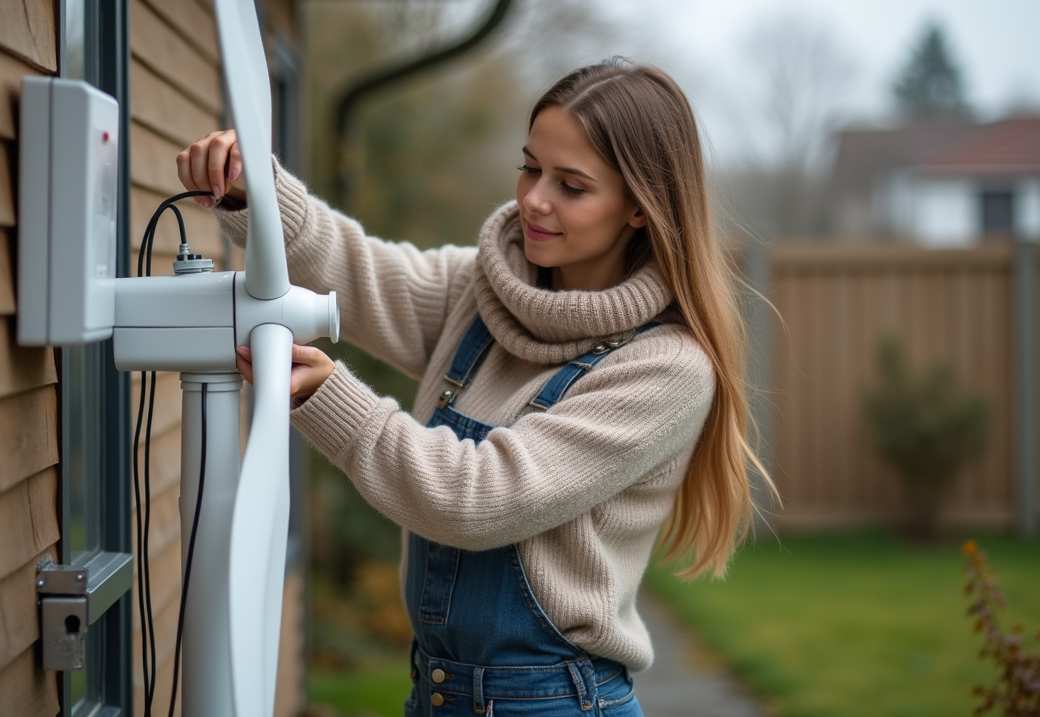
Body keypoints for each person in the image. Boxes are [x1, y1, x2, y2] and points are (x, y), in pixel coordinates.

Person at [177, 58, 775, 716]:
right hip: (435, 692)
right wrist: (254, 193)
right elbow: (356, 269)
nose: (534, 199)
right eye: (530, 167)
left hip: (555, 704)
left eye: (571, 185)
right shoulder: (480, 291)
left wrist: (330, 401)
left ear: (639, 208)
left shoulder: (665, 370)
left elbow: (478, 498)